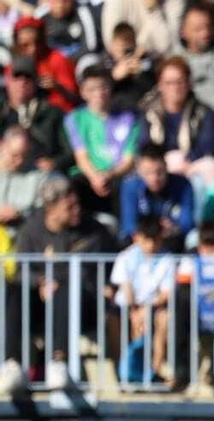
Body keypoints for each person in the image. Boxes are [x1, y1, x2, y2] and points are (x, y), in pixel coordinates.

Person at [2, 179, 116, 390]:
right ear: (50, 208)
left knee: (66, 289)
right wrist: (40, 282)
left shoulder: (94, 230)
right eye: (69, 207)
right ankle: (11, 363)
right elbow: (18, 272)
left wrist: (56, 282)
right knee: (13, 291)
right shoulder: (30, 231)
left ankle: (58, 360)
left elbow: (97, 273)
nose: (77, 211)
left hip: (83, 305)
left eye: (77, 204)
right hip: (39, 305)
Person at [108, 215, 179, 383]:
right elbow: (126, 287)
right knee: (112, 321)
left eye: (156, 240)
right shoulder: (125, 257)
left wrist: (146, 311)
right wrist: (135, 312)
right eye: (147, 240)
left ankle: (155, 369)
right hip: (127, 306)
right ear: (136, 237)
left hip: (153, 307)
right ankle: (123, 368)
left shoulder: (167, 259)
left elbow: (166, 293)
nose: (152, 245)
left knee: (165, 319)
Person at [65, 66, 141, 213]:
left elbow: (129, 160)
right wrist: (95, 177)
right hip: (89, 176)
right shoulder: (75, 119)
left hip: (118, 176)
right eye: (92, 89)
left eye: (103, 87)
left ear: (111, 87)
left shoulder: (130, 118)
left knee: (128, 184)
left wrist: (109, 175)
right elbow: (82, 157)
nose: (99, 93)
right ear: (83, 92)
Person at [138, 57, 214, 187]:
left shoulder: (203, 111)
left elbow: (208, 145)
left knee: (212, 167)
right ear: (160, 85)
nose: (175, 87)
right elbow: (145, 145)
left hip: (193, 165)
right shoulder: (148, 112)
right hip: (159, 165)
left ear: (188, 84)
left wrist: (187, 161)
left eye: (180, 82)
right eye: (169, 83)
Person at [3, 57, 71, 173]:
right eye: (17, 77)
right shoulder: (2, 114)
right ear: (8, 81)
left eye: (28, 78)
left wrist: (54, 163)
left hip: (43, 176)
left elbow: (70, 152)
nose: (22, 82)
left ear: (36, 82)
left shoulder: (52, 113)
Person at [121, 144, 196, 245]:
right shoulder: (130, 186)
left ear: (166, 166)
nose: (154, 178)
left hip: (172, 240)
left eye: (159, 172)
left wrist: (173, 229)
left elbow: (187, 223)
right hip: (141, 242)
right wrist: (154, 230)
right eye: (148, 172)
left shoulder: (183, 185)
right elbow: (129, 226)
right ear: (139, 170)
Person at [37, 0, 101, 61]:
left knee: (90, 61)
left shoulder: (83, 11)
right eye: (55, 0)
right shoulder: (40, 17)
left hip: (78, 61)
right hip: (52, 64)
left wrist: (66, 62)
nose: (60, 5)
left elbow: (91, 46)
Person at [0, 127, 45, 226]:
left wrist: (20, 213)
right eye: (14, 155)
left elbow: (42, 209)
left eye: (24, 155)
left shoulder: (37, 177)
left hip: (22, 233)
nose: (20, 161)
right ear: (2, 145)